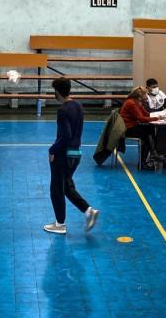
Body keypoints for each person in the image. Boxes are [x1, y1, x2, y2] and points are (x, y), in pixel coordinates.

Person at [43, 78, 99, 235]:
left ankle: (60, 224)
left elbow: (65, 136)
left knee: (56, 188)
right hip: (76, 153)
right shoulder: (78, 105)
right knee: (67, 186)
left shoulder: (62, 110)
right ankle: (88, 211)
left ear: (58, 92)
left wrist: (52, 150)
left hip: (63, 155)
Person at [120, 86, 161, 169]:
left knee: (150, 129)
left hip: (133, 125)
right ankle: (145, 161)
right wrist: (157, 118)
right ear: (140, 95)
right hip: (128, 128)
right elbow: (141, 118)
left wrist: (158, 115)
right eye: (146, 94)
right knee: (147, 135)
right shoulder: (131, 103)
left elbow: (145, 114)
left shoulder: (137, 102)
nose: (147, 95)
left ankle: (152, 154)